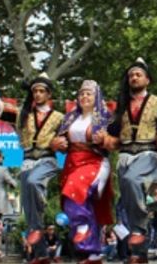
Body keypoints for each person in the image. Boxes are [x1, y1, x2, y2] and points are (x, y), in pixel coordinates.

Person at [0, 71, 64, 262]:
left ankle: (40, 199)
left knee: (33, 183)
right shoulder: (22, 115)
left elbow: (70, 139)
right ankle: (41, 254)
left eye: (42, 91)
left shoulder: (59, 117)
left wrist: (62, 143)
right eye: (35, 91)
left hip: (47, 160)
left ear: (49, 94)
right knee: (29, 209)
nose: (38, 94)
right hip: (27, 162)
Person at [99, 58, 157, 264]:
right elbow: (111, 132)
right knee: (128, 202)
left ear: (147, 79)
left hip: (147, 153)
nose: (134, 77)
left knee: (132, 181)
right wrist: (103, 138)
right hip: (124, 157)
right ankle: (138, 253)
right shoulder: (121, 105)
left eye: (138, 74)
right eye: (131, 75)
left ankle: (140, 231)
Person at [51, 80, 114, 264]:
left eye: (89, 94)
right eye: (82, 94)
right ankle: (93, 253)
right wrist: (57, 144)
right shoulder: (69, 118)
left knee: (74, 190)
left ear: (96, 97)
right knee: (84, 204)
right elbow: (59, 142)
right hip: (72, 164)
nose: (85, 97)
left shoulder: (105, 117)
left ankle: (83, 227)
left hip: (95, 162)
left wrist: (105, 140)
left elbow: (118, 140)